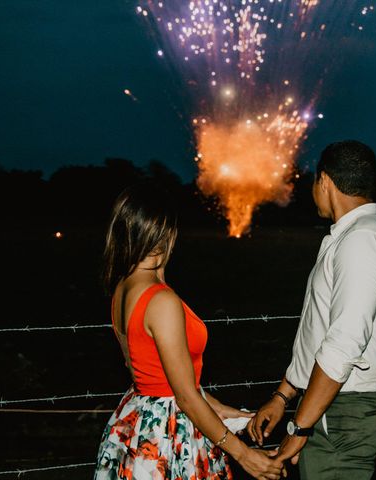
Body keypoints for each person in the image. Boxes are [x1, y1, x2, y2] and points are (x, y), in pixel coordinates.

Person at [94, 183, 284, 480]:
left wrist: (225, 410)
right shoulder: (161, 300)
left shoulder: (122, 287)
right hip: (166, 432)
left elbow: (162, 377)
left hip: (137, 417)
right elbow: (183, 396)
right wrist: (244, 455)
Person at [247, 140, 376, 479]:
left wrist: (299, 428)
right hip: (329, 403)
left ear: (325, 182)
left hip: (343, 410)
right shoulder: (351, 237)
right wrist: (283, 395)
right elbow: (319, 330)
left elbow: (344, 344)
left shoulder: (364, 240)